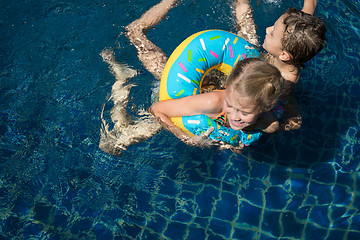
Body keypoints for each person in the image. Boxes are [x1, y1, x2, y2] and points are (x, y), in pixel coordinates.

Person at [99, 0, 283, 153]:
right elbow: (156, 109)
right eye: (231, 106)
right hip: (177, 91)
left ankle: (242, 3)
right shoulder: (213, 102)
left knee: (250, 41)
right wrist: (183, 137)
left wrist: (233, 142)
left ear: (267, 106)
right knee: (116, 144)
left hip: (212, 86)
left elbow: (269, 126)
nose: (233, 115)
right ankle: (137, 36)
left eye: (243, 112)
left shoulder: (266, 117)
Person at [234, 0, 326, 130]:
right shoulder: (300, 28)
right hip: (269, 62)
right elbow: (310, 6)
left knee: (272, 123)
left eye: (272, 33)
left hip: (276, 96)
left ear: (284, 55)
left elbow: (257, 102)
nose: (267, 29)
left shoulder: (282, 80)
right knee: (245, 26)